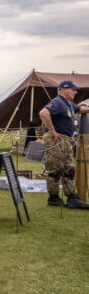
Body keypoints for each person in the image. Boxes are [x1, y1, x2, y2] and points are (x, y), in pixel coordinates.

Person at [38, 80, 89, 209]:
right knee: (55, 169)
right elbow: (43, 113)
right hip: (56, 139)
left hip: (66, 140)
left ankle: (72, 198)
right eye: (73, 89)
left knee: (69, 169)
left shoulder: (69, 104)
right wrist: (53, 131)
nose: (76, 92)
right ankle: (53, 198)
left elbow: (81, 109)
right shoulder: (57, 102)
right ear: (63, 89)